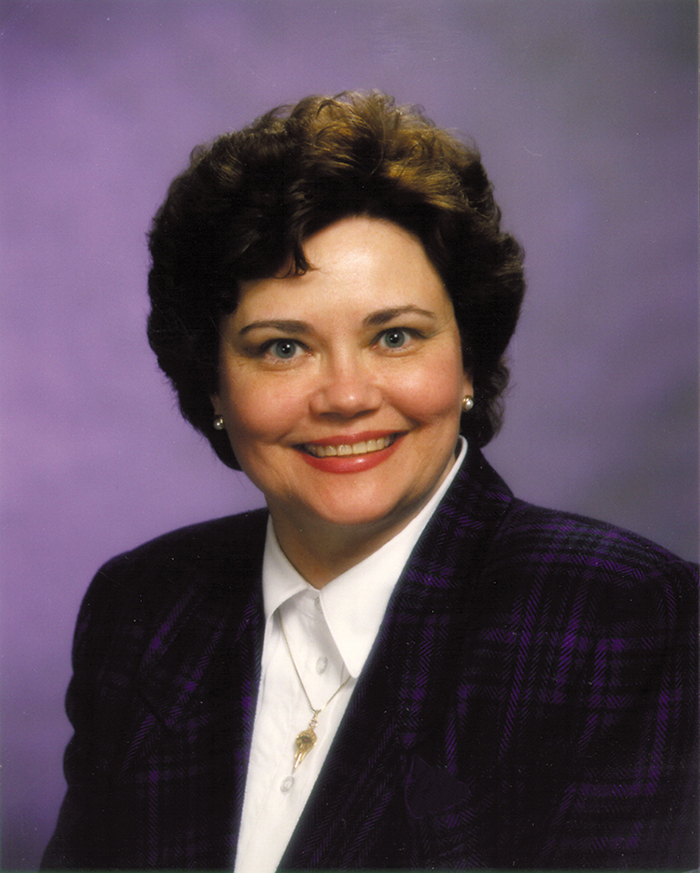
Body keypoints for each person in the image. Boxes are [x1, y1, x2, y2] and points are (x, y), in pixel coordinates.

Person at [42, 91, 697, 871]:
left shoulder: (621, 616)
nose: (346, 397)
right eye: (283, 347)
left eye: (394, 336)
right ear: (214, 385)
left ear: (468, 362)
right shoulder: (146, 606)